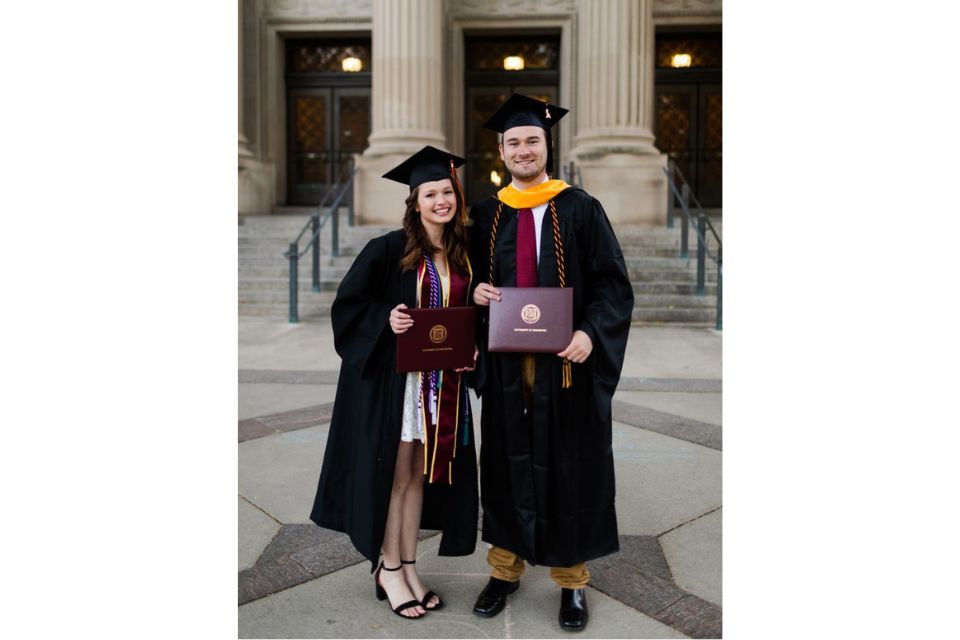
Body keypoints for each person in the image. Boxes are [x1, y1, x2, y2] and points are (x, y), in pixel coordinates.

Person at [469, 94, 634, 632]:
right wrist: (476, 292)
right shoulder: (487, 214)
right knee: (504, 467)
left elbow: (612, 284)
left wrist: (591, 332)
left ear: (547, 146)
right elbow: (466, 283)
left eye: (531, 141)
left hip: (566, 370)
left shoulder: (581, 208)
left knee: (570, 470)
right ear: (501, 150)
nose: (523, 149)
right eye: (513, 141)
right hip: (507, 373)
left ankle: (572, 582)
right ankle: (503, 571)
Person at [309, 145, 479, 619]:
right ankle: (387, 568)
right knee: (395, 475)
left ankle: (408, 564)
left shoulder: (462, 254)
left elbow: (469, 317)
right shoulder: (387, 250)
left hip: (440, 387)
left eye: (447, 192)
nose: (441, 201)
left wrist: (473, 350)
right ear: (415, 201)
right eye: (431, 193)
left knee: (415, 478)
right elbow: (348, 305)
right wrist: (387, 317)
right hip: (396, 385)